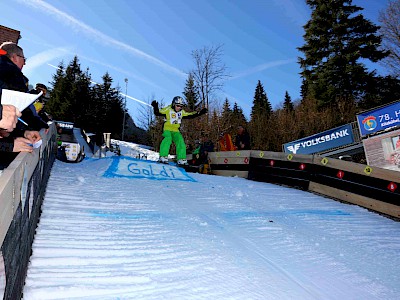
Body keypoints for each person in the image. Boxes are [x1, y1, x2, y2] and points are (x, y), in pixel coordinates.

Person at [151, 96, 207, 165]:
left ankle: (181, 159)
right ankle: (163, 156)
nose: (179, 108)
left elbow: (190, 115)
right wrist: (155, 107)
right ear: (174, 104)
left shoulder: (181, 112)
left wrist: (200, 113)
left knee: (180, 141)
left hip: (176, 130)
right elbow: (158, 113)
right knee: (168, 139)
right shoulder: (168, 109)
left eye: (181, 106)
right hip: (167, 129)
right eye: (177, 105)